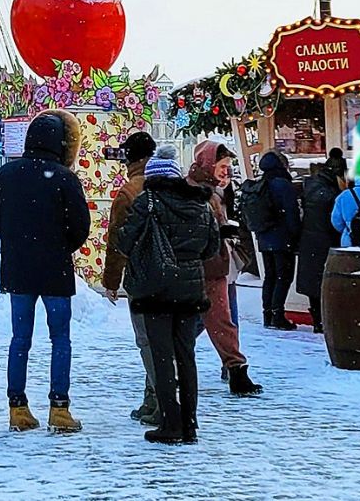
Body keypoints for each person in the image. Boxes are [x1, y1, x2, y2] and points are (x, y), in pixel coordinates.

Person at [0, 109, 90, 432]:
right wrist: (59, 247)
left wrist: (20, 245)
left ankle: (17, 408)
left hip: (19, 270)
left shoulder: (7, 175)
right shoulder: (64, 177)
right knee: (60, 338)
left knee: (20, 339)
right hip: (55, 270)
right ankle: (59, 408)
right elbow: (80, 226)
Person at [116, 145, 221, 445]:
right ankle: (190, 424)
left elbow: (125, 241)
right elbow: (211, 249)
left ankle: (170, 422)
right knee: (186, 356)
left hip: (155, 289)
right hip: (190, 290)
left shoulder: (146, 201)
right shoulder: (200, 205)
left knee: (162, 357)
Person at [98, 132, 163, 424]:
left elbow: (118, 241)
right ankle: (152, 400)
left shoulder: (129, 192)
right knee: (166, 340)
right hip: (175, 275)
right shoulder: (170, 184)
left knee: (147, 340)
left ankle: (162, 401)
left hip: (143, 275)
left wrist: (111, 281)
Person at [187, 140, 260, 396]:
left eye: (228, 167)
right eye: (222, 166)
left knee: (219, 319)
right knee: (213, 319)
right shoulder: (195, 190)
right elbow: (195, 229)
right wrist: (219, 232)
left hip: (219, 265)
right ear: (208, 163)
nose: (225, 172)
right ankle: (234, 370)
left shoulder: (215, 190)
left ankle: (235, 369)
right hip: (204, 265)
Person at [245, 151, 302, 329]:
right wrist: (296, 235)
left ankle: (267, 314)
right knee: (283, 277)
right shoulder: (283, 185)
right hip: (282, 238)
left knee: (270, 277)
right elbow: (292, 214)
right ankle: (278, 315)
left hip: (264, 236)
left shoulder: (260, 185)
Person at [295, 149, 347, 332]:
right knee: (327, 281)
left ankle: (318, 319)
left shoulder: (312, 186)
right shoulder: (332, 193)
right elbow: (336, 221)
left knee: (313, 282)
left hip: (310, 240)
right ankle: (324, 320)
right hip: (325, 240)